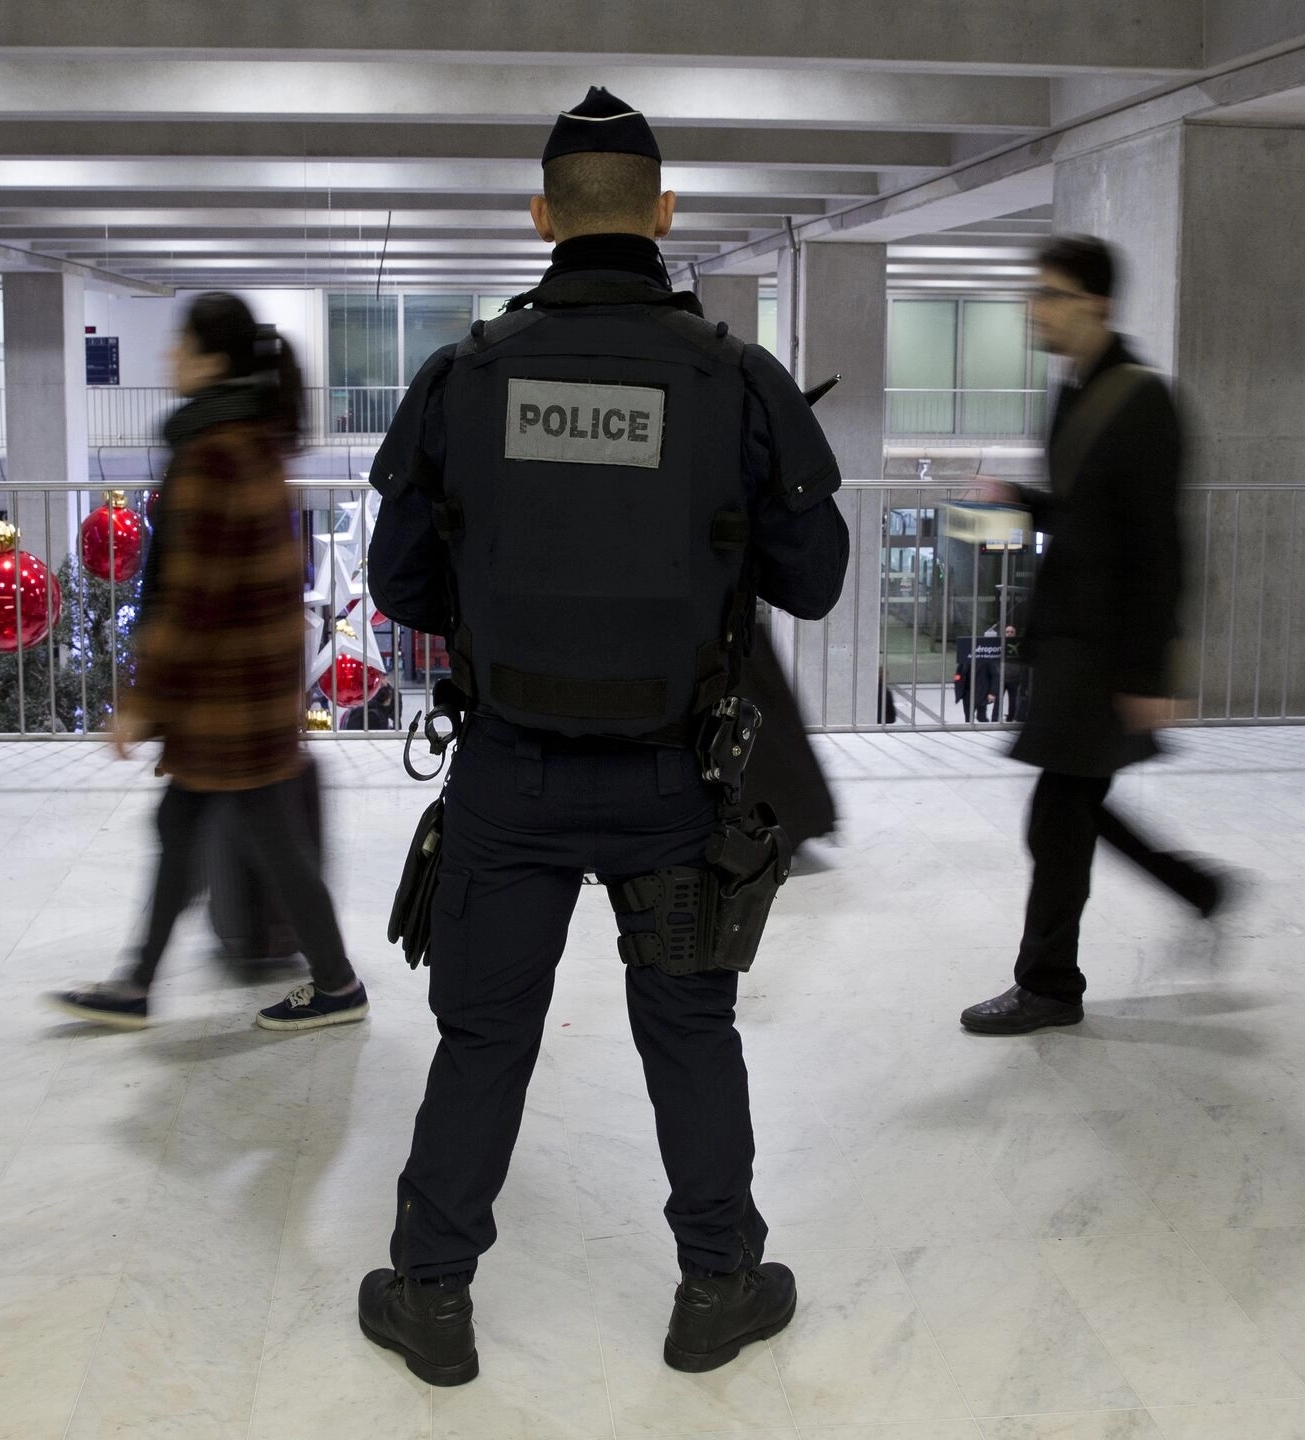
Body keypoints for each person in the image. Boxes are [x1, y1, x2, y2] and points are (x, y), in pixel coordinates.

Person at [357, 86, 849, 1387]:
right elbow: (815, 580)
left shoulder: (463, 377)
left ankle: (432, 1296)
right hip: (680, 781)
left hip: (508, 777)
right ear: (664, 215)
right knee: (691, 1032)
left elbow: (401, 587)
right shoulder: (734, 382)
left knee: (484, 1039)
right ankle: (718, 1287)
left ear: (541, 218)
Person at [46, 293, 366, 1033]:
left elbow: (188, 596)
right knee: (189, 829)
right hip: (249, 687)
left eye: (180, 345)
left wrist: (143, 699)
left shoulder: (211, 452)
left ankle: (334, 983)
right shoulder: (251, 441)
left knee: (247, 841)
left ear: (211, 358)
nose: (168, 359)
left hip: (226, 693)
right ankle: (137, 984)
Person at [959, 235, 1227, 1037]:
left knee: (1058, 816)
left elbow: (1160, 545)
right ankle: (1195, 888)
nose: (1034, 310)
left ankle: (1049, 985)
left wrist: (1150, 672)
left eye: (1050, 295)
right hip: (1073, 642)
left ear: (1096, 305)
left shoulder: (1143, 401)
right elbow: (1085, 513)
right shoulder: (1076, 390)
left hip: (1105, 650)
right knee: (1071, 810)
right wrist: (1021, 499)